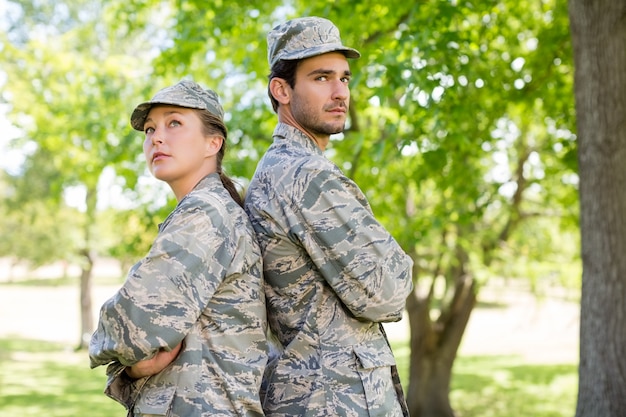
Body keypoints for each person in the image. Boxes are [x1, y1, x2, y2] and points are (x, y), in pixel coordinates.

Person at [244, 16, 413, 417]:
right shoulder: (304, 174)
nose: (340, 92)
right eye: (321, 78)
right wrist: (399, 263)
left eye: (345, 78)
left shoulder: (284, 167)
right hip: (332, 400)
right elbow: (388, 292)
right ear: (281, 89)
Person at [89, 79, 268, 417]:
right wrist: (131, 368)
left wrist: (100, 346)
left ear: (213, 143)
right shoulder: (202, 211)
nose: (156, 137)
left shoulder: (205, 215)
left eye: (175, 123)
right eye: (150, 129)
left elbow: (133, 320)